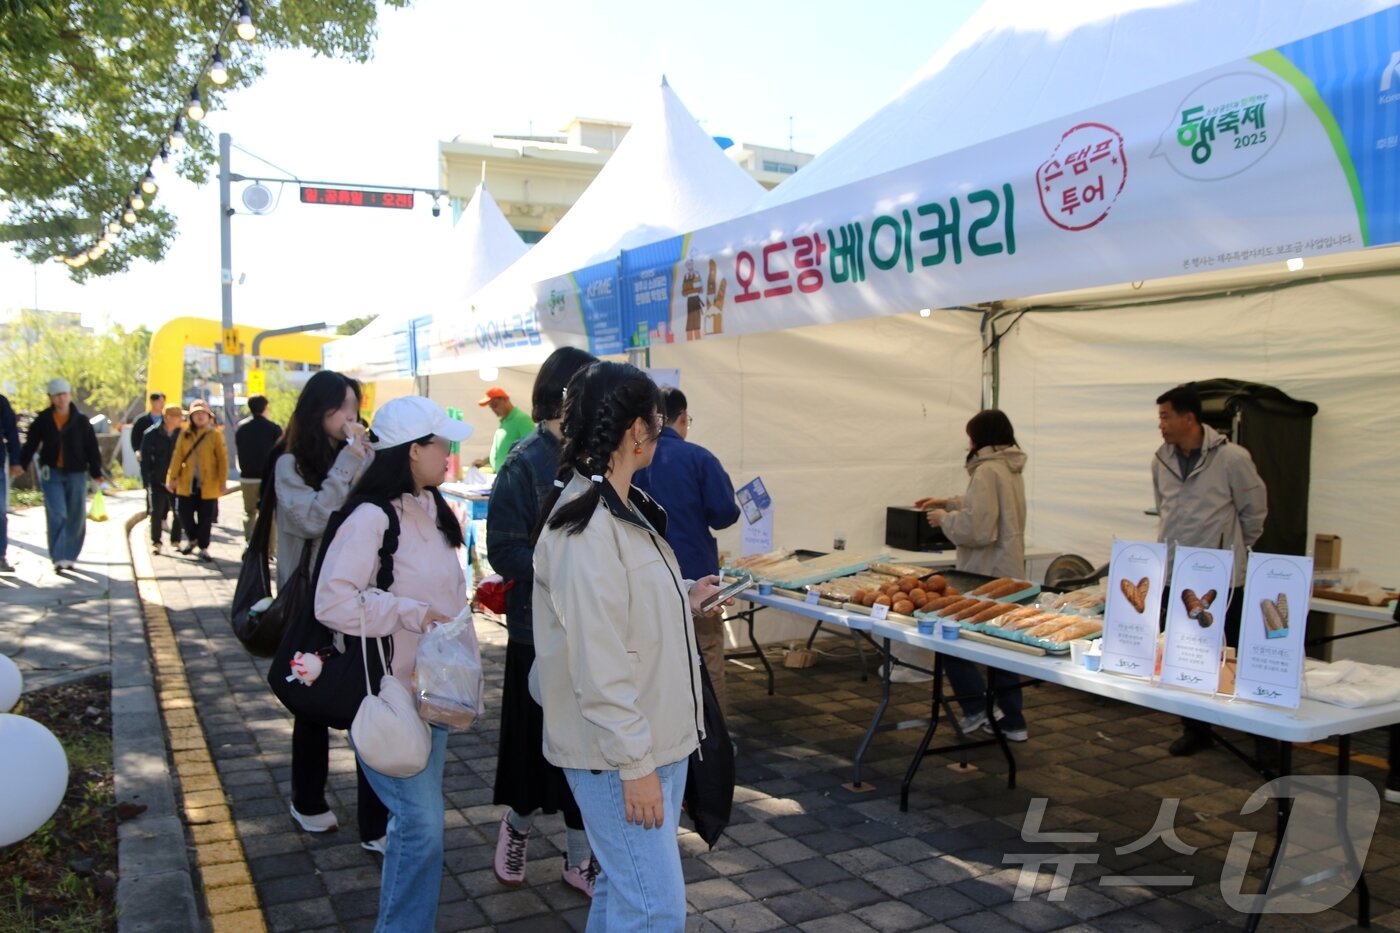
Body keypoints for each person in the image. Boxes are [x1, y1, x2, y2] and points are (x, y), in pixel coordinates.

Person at [532, 361, 726, 930]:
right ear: (635, 430)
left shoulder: (617, 507)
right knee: (653, 909)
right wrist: (636, 767)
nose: (662, 430)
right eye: (658, 419)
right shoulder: (587, 527)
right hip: (620, 754)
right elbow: (600, 663)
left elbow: (619, 615)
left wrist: (684, 597)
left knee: (624, 895)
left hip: (647, 743)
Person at [315, 395, 475, 933]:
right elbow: (332, 601)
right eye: (441, 442)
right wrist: (408, 611)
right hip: (390, 697)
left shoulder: (431, 506)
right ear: (411, 451)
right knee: (421, 826)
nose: (450, 452)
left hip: (433, 696)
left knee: (421, 827)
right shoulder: (371, 517)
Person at [485, 346, 599, 895]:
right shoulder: (525, 461)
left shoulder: (594, 456)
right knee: (533, 751)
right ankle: (517, 827)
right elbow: (502, 552)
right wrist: (561, 566)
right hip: (537, 633)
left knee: (588, 750)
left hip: (590, 631)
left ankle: (581, 858)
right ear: (566, 397)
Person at [272, 371, 389, 850]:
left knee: (371, 695)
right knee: (313, 700)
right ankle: (307, 798)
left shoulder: (361, 454)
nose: (352, 418)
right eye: (343, 408)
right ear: (318, 410)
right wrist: (348, 463)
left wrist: (371, 459)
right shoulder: (290, 464)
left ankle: (375, 824)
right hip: (313, 604)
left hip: (360, 594)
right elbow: (312, 518)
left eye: (355, 407)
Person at [1153, 384, 1267, 756]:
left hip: (1222, 574)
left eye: (1166, 416)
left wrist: (1233, 549)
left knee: (1230, 647)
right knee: (1184, 650)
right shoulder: (1160, 460)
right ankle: (1195, 726)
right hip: (1177, 572)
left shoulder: (1232, 458)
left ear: (1189, 417)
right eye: (1160, 417)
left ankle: (1250, 720)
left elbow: (1254, 511)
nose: (1162, 424)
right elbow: (1163, 508)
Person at [920, 409, 1030, 742]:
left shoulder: (986, 471)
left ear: (979, 437)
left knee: (951, 640)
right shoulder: (1009, 467)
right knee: (1002, 648)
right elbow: (986, 506)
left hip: (984, 573)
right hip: (1009, 569)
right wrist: (950, 502)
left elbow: (979, 528)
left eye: (970, 436)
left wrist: (944, 519)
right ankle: (1013, 720)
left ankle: (976, 707)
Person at [633, 387, 741, 712]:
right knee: (707, 656)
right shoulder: (698, 457)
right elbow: (725, 513)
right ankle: (714, 742)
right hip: (697, 573)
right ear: (682, 418)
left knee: (652, 662)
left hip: (643, 578)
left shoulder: (630, 456)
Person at [18, 378, 105, 572]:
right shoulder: (43, 420)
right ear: (50, 398)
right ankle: (58, 556)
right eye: (57, 395)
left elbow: (91, 448)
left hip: (76, 473)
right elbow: (31, 444)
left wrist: (96, 471)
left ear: (69, 395)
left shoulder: (81, 420)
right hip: (52, 474)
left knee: (76, 515)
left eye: (64, 394)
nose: (61, 398)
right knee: (57, 513)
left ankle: (70, 555)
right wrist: (20, 464)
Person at [164, 399, 227, 563]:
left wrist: (222, 481)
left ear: (208, 417)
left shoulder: (215, 435)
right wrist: (172, 478)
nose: (199, 417)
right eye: (196, 414)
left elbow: (222, 459)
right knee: (183, 513)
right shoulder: (184, 435)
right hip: (187, 482)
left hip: (209, 483)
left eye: (202, 414)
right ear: (191, 417)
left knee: (206, 517)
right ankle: (192, 539)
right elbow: (177, 456)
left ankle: (203, 546)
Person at [235, 395, 282, 544]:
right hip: (268, 478)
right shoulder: (274, 428)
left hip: (247, 476)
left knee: (249, 512)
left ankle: (249, 543)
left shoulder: (241, 428)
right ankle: (269, 549)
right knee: (268, 514)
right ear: (265, 408)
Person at [140, 406, 185, 554]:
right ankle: (156, 542)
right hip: (157, 478)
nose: (179, 420)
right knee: (156, 511)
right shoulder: (151, 434)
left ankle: (176, 540)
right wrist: (146, 480)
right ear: (167, 417)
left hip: (176, 479)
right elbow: (145, 460)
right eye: (176, 416)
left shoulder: (183, 435)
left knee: (179, 511)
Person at [476, 386, 533, 471]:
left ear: (506, 400)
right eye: (491, 407)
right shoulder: (505, 422)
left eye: (495, 405)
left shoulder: (521, 419)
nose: (494, 410)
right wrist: (485, 461)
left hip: (514, 478)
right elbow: (503, 451)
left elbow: (532, 448)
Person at [1, 392, 22, 573]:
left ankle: (0, 556)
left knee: (0, 512)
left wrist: (16, 460)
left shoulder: (1, 403)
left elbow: (12, 433)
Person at [131, 392, 165, 461]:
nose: (162, 404)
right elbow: (135, 437)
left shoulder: (166, 420)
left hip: (163, 456)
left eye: (163, 402)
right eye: (159, 401)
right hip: (145, 454)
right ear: (152, 402)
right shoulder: (141, 421)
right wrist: (137, 450)